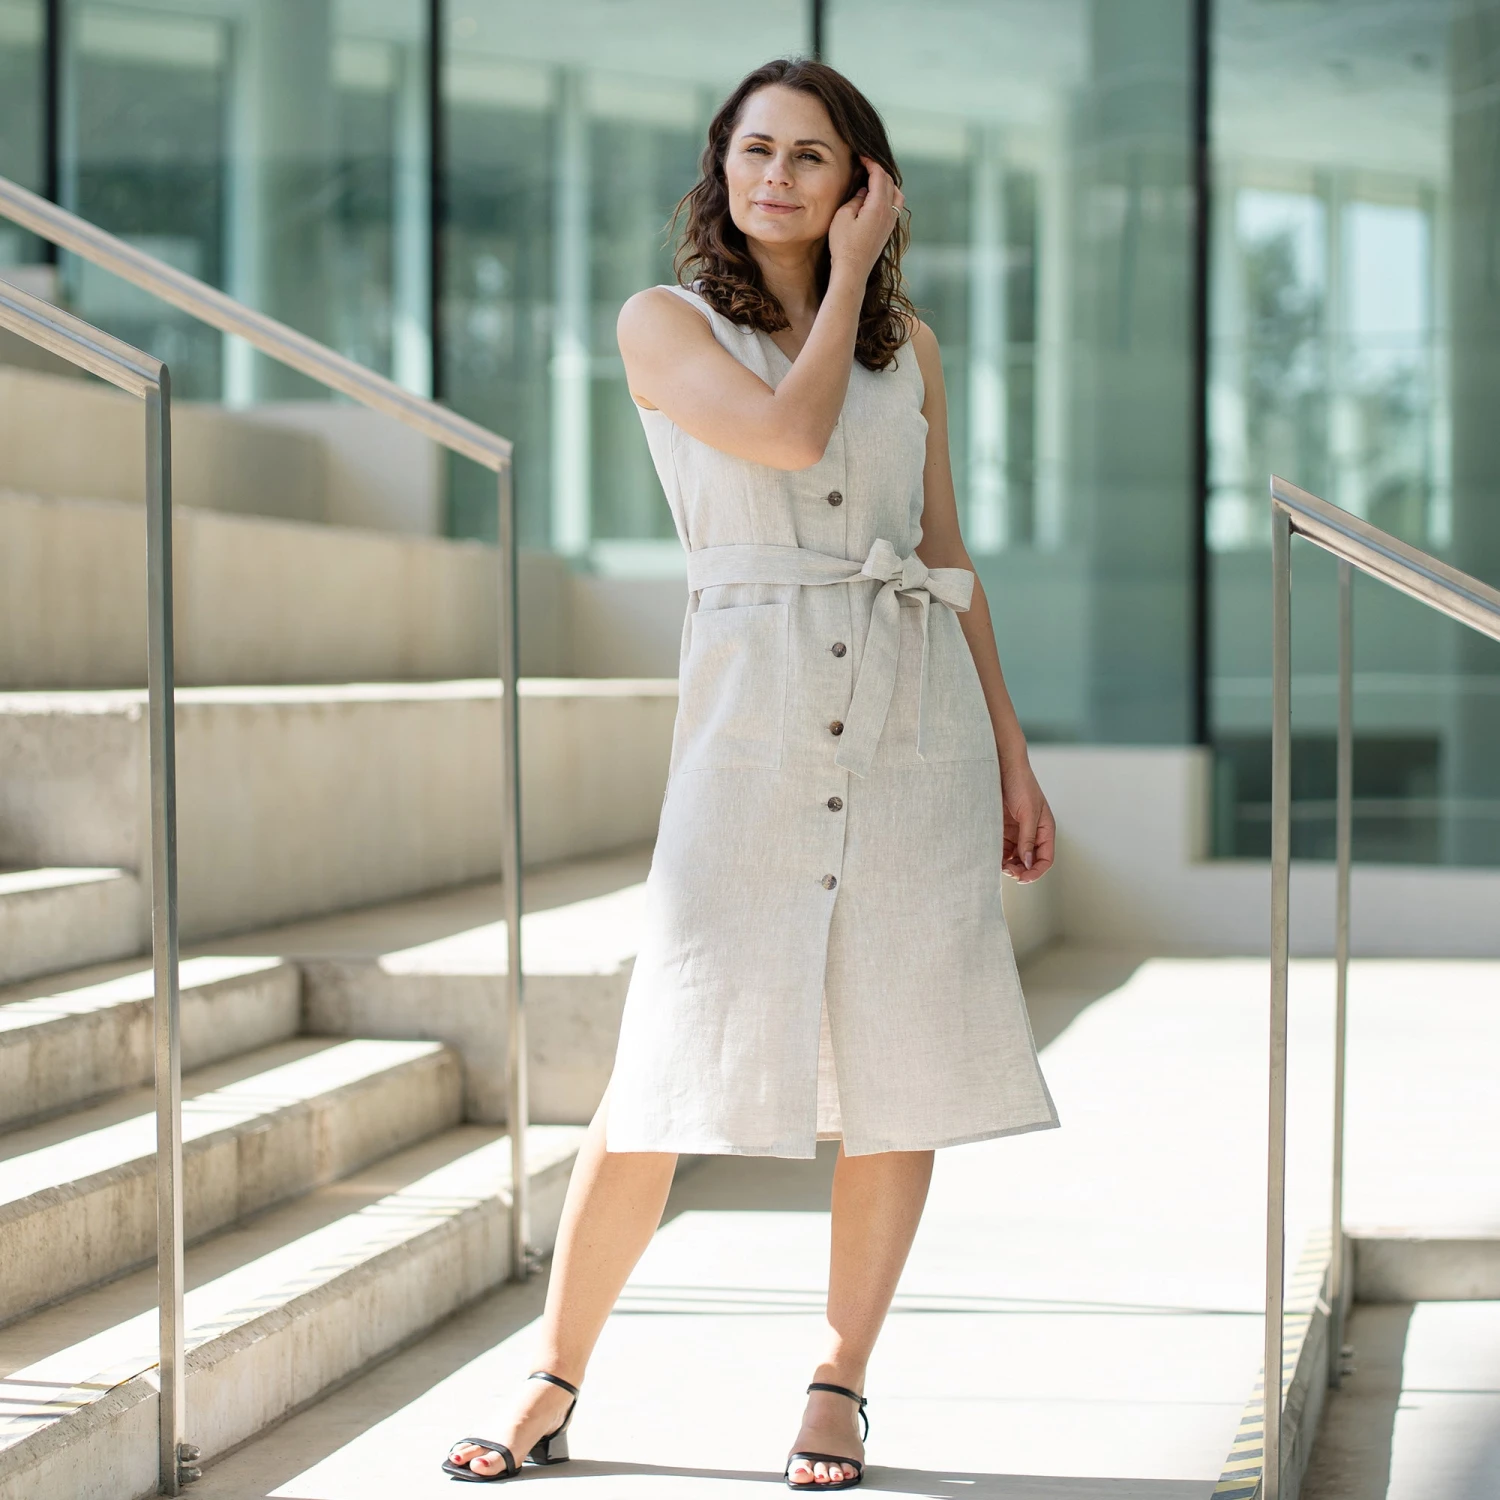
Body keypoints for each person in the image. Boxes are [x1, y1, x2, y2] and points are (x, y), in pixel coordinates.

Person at [442, 56, 1059, 1490]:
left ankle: (838, 1385)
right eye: (754, 150)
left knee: (899, 1072)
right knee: (667, 1066)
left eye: (813, 157)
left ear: (865, 183)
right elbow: (784, 437)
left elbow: (948, 552)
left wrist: (1013, 754)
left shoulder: (917, 350)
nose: (775, 177)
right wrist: (846, 282)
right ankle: (553, 1376)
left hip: (916, 721)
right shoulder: (663, 323)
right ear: (722, 165)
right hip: (755, 718)